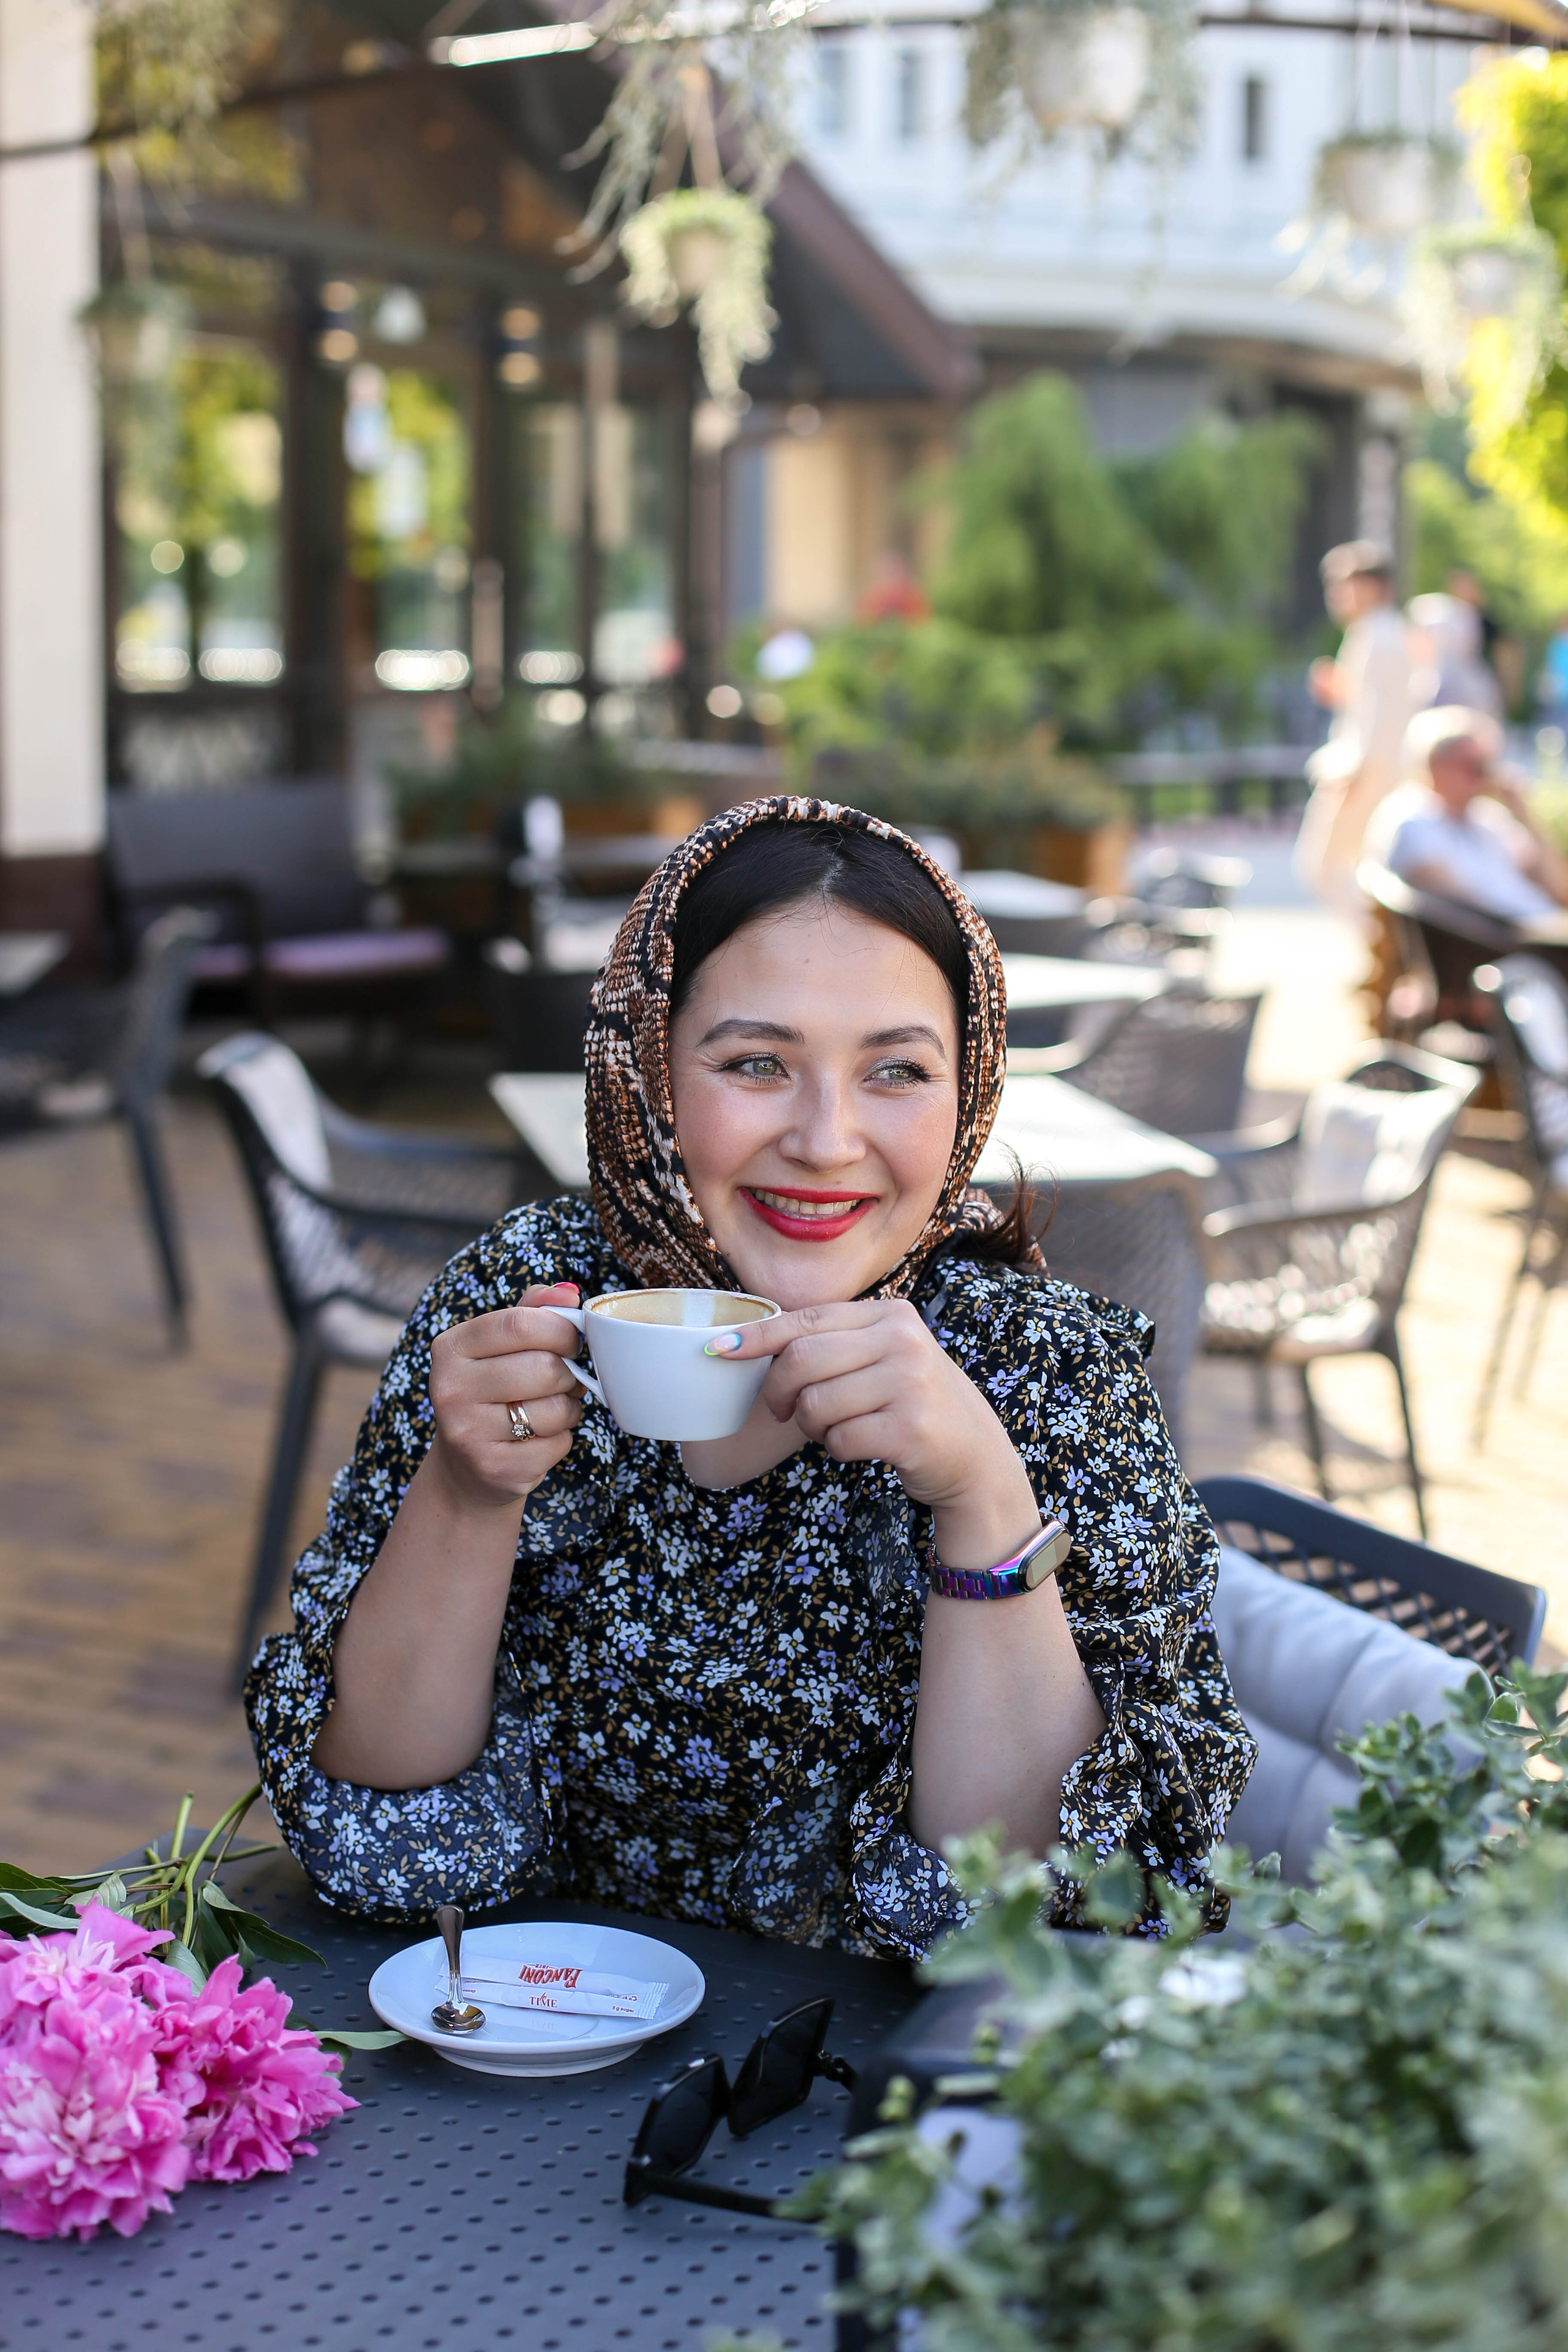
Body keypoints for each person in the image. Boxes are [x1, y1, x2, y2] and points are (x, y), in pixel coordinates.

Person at [247, 800, 1254, 1954]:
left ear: (968, 1088)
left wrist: (982, 1501)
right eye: (756, 1063)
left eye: (897, 1072)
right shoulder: (523, 1300)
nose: (827, 1139)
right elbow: (383, 1845)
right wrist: (470, 1491)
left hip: (875, 2103)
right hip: (537, 2055)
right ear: (651, 1069)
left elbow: (1044, 1926)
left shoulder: (1053, 1373)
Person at [1296, 540, 1414, 911]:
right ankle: (1380, 957)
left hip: (1366, 774)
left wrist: (1353, 774)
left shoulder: (1378, 636)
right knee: (1360, 869)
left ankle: (1376, 952)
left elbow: (1380, 720)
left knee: (1323, 868)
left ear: (1374, 587)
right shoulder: (1382, 632)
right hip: (1376, 770)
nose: (1337, 595)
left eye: (1345, 584)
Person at [1366, 706, 1568, 923]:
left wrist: (1524, 815)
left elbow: (1560, 889)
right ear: (1438, 766)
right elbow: (1466, 906)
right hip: (1508, 943)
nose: (1485, 777)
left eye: (1487, 766)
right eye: (1475, 767)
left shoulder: (1488, 817)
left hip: (1541, 932)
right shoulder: (1411, 818)